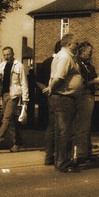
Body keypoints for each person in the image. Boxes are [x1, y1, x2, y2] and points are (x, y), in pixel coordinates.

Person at [42, 33, 82, 173]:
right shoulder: (65, 57)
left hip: (61, 97)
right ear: (69, 44)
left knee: (59, 130)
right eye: (76, 43)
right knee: (65, 131)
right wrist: (51, 87)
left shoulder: (63, 56)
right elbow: (59, 76)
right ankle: (63, 163)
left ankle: (59, 160)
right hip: (64, 98)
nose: (78, 45)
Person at [0, 47, 29, 153]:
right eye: (5, 55)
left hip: (14, 95)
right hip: (4, 94)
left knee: (6, 118)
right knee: (10, 120)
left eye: (8, 54)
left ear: (13, 54)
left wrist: (25, 100)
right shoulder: (2, 65)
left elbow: (24, 83)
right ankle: (18, 143)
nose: (7, 57)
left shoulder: (19, 66)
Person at [75, 41, 99, 162]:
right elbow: (81, 83)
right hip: (84, 96)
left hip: (89, 95)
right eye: (90, 52)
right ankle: (81, 153)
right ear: (83, 51)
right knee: (83, 125)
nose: (91, 54)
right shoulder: (79, 64)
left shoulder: (86, 64)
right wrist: (96, 81)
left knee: (86, 125)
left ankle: (86, 150)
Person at [36, 40, 61, 165]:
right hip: (59, 96)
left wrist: (45, 90)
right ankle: (58, 155)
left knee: (50, 126)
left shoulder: (45, 62)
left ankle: (49, 154)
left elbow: (38, 80)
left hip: (48, 97)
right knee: (60, 127)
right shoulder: (61, 61)